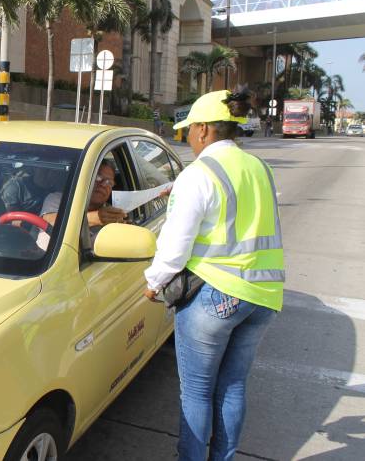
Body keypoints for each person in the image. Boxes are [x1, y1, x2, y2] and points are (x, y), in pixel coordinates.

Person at [143, 88, 284, 461]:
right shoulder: (260, 169)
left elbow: (174, 247)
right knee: (233, 386)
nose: (187, 138)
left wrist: (153, 283)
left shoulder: (199, 173)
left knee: (196, 391)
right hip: (263, 295)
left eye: (188, 130)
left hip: (216, 295)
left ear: (204, 130)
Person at [36, 160, 126, 249]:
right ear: (84, 179)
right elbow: (48, 222)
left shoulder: (114, 214)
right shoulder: (61, 199)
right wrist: (93, 218)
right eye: (97, 177)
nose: (103, 185)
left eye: (109, 182)